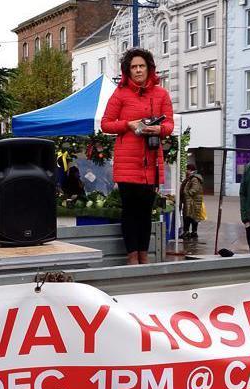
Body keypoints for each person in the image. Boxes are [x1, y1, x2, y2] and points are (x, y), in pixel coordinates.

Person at [100, 48, 174, 265]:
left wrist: (158, 129)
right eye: (134, 67)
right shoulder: (120, 94)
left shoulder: (161, 94)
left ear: (149, 68)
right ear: (128, 70)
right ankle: (132, 255)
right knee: (130, 212)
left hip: (151, 162)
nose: (138, 70)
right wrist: (128, 125)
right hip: (127, 163)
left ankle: (144, 253)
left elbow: (169, 124)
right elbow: (106, 124)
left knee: (145, 212)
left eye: (142, 66)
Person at [179, 165, 204, 239]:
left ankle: (190, 232)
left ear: (190, 170)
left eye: (187, 169)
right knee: (190, 216)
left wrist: (186, 193)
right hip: (191, 201)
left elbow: (194, 189)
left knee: (190, 216)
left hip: (193, 201)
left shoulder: (194, 178)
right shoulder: (190, 178)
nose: (186, 171)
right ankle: (191, 232)